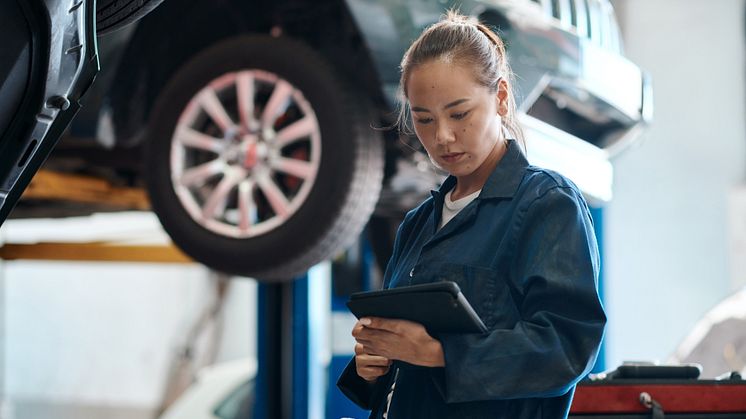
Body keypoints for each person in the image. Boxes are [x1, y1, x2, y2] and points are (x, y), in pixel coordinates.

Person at [337, 10, 607, 419]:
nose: (442, 136)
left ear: (500, 98)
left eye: (459, 113)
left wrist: (441, 353)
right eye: (424, 119)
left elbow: (566, 348)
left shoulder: (547, 205)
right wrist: (373, 362)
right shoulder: (418, 224)